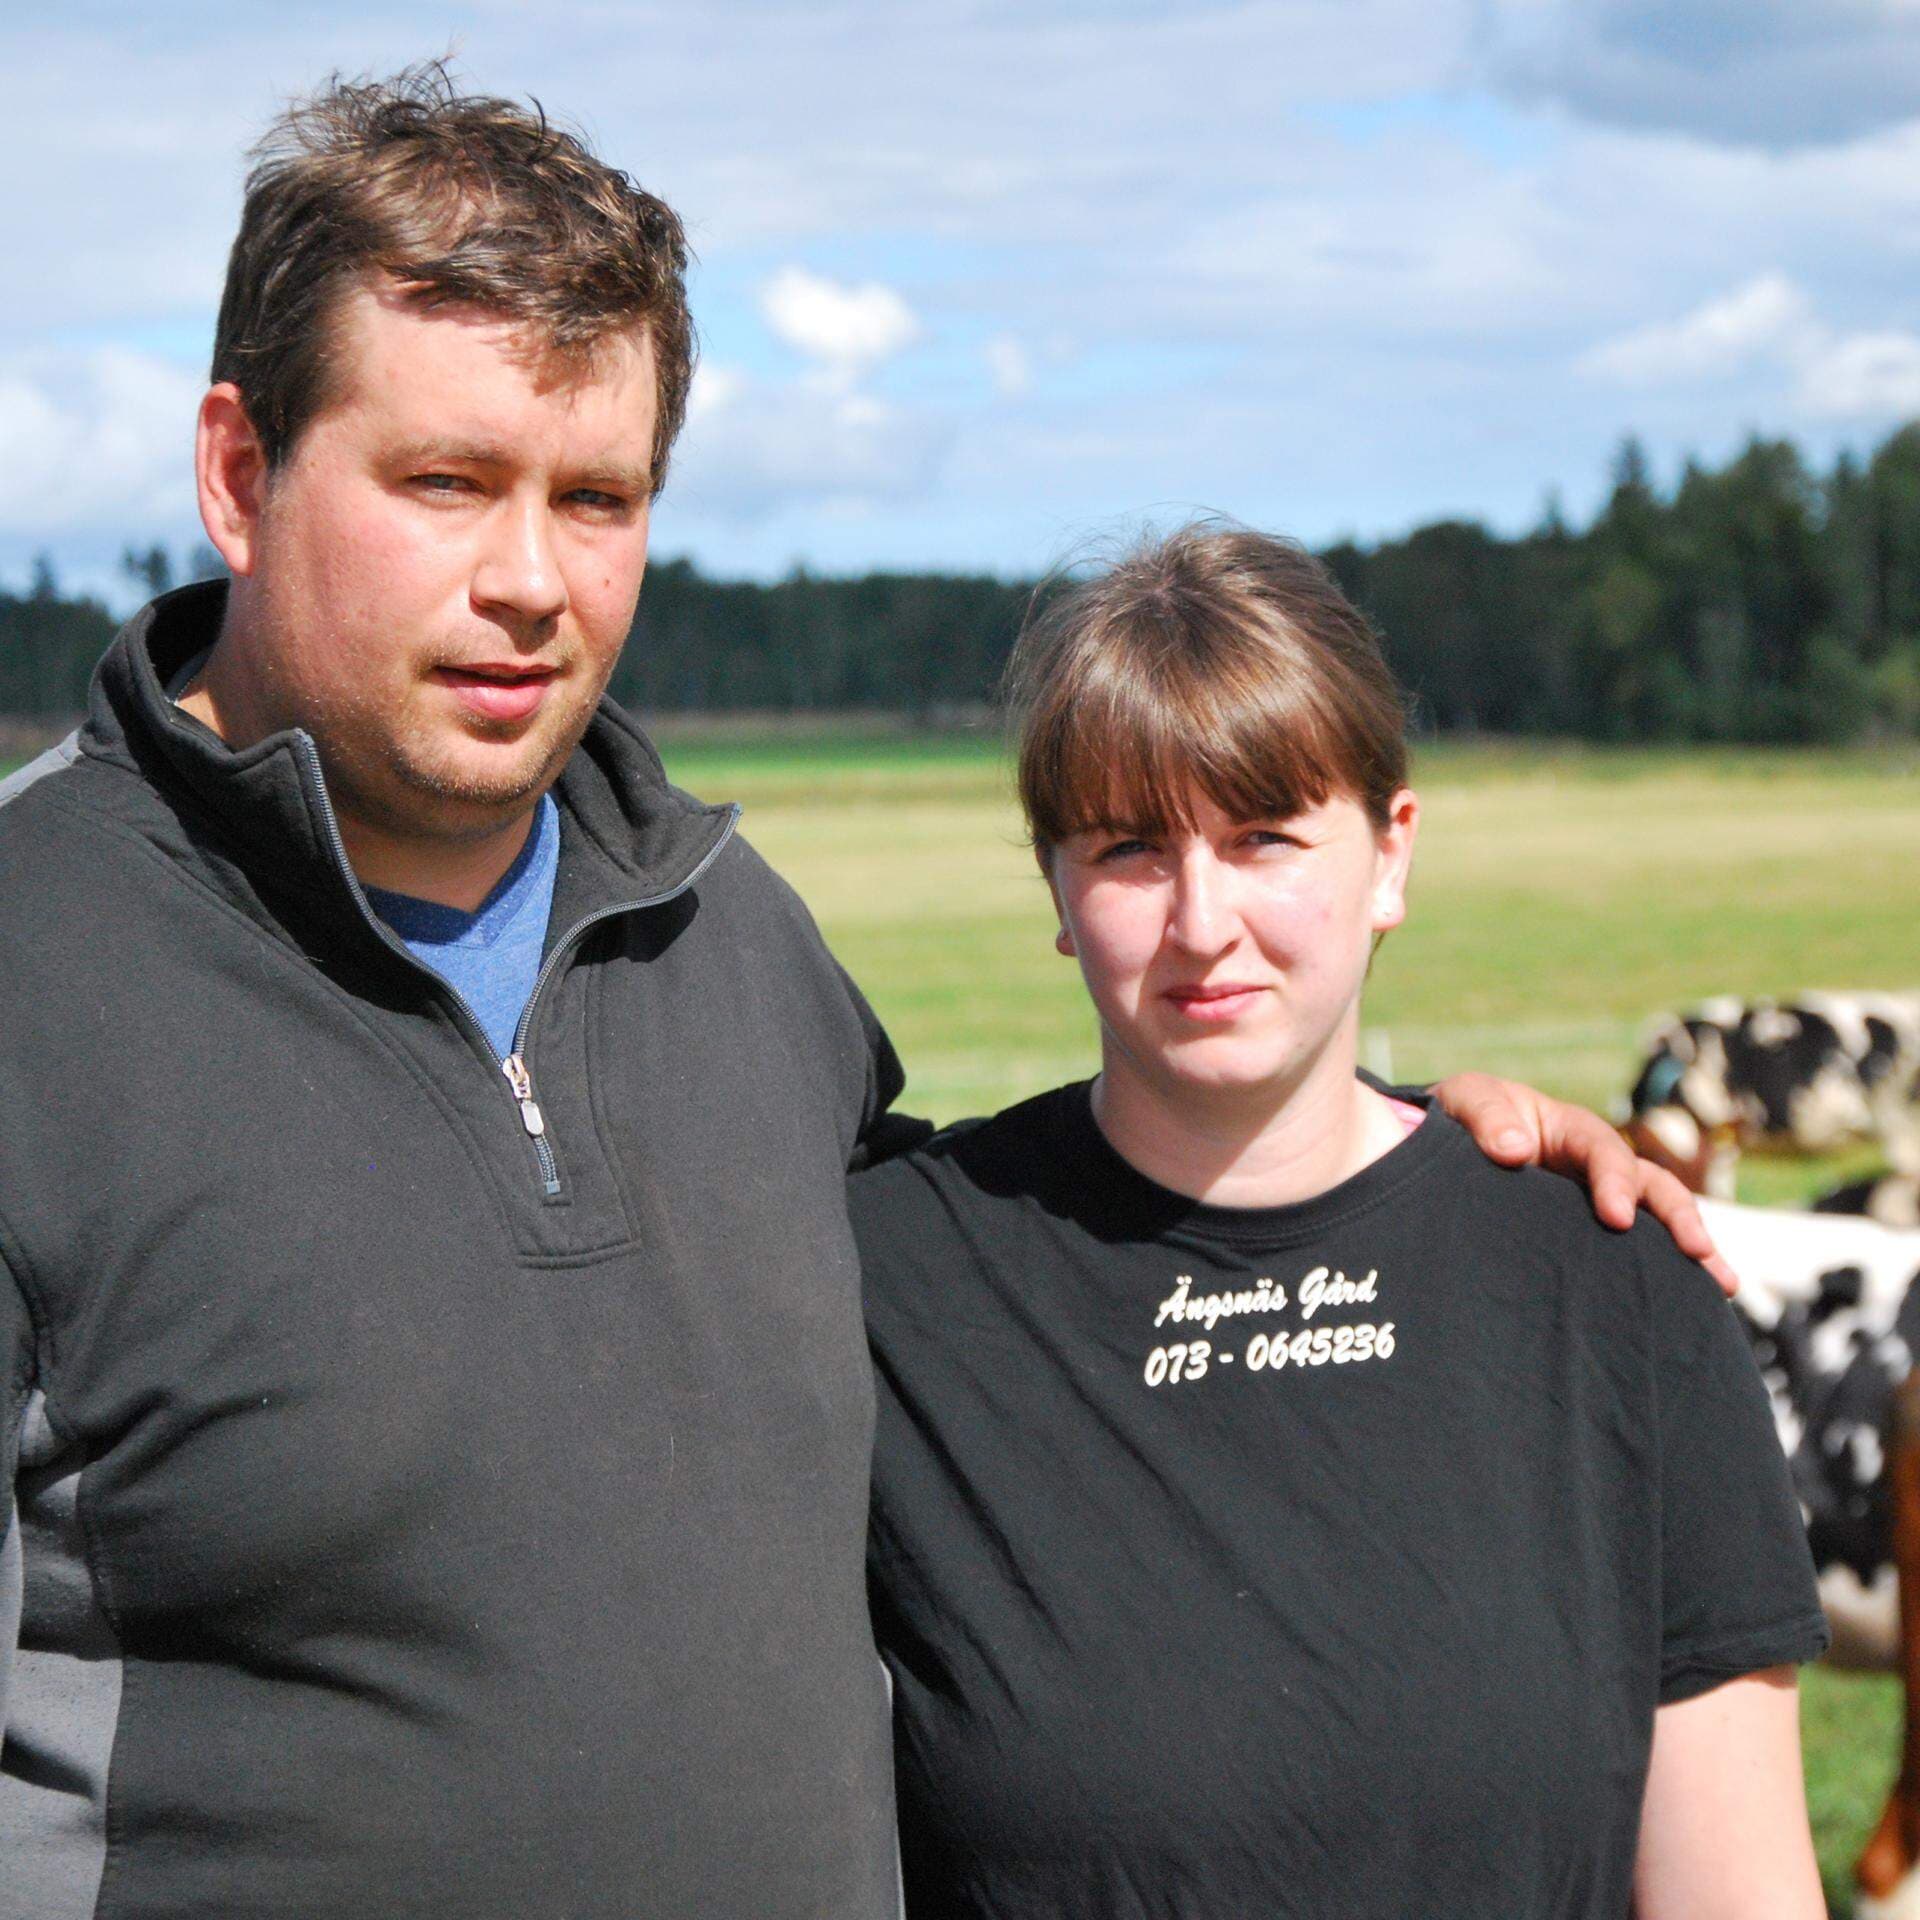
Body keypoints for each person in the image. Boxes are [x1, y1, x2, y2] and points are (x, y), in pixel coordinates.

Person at [0, 67, 1720, 1920]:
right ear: (239, 475)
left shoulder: (730, 936)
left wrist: (1428, 1171)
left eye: (598, 498)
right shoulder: (37, 969)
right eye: (444, 482)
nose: (529, 581)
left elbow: (1049, 1281)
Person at [854, 524, 1829, 1920]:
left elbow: (1738, 1895)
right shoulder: (893, 1285)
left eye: (1264, 837)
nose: (1202, 921)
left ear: (1390, 853)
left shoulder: (1609, 1284)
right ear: (1055, 889)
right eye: (1131, 848)